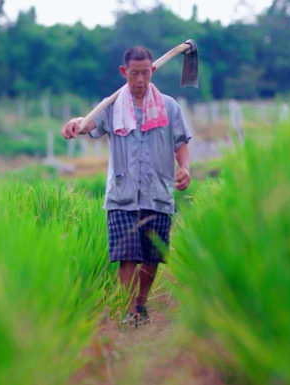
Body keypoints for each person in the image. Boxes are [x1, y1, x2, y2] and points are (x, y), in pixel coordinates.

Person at [61, 46, 192, 326]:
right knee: (127, 255)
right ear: (124, 73)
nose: (141, 80)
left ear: (152, 70)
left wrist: (185, 168)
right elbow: (88, 124)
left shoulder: (169, 106)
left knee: (152, 256)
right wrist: (75, 123)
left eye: (146, 73)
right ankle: (129, 309)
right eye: (135, 74)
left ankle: (141, 303)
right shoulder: (112, 106)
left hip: (158, 192)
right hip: (122, 194)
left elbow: (180, 142)